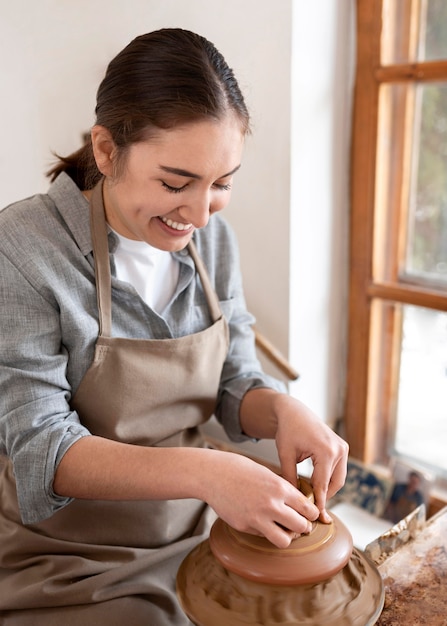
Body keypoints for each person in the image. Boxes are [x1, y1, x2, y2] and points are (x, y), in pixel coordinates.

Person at [0, 28, 348, 625]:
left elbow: (235, 379)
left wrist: (284, 412)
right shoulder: (25, 248)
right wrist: (212, 472)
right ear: (107, 152)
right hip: (66, 557)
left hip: (197, 528)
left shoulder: (210, 244)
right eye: (174, 182)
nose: (198, 212)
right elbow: (41, 451)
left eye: (223, 183)